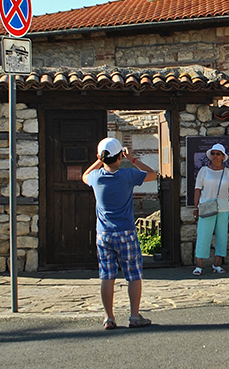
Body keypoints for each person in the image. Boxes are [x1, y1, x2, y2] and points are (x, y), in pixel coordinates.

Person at [82, 137, 157, 330]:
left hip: (104, 233)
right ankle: (134, 316)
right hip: (126, 231)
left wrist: (99, 159)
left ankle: (109, 317)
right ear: (119, 157)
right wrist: (132, 159)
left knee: (107, 275)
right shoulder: (128, 175)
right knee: (133, 274)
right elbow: (152, 174)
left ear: (101, 157)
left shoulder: (96, 177)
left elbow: (84, 175)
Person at [192, 143, 229, 275]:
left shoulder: (228, 173)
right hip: (206, 207)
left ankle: (217, 264)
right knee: (203, 235)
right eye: (213, 153)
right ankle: (199, 265)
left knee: (222, 236)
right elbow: (197, 190)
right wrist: (196, 207)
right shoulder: (204, 171)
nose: (215, 156)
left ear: (223, 156)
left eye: (218, 154)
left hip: (223, 208)